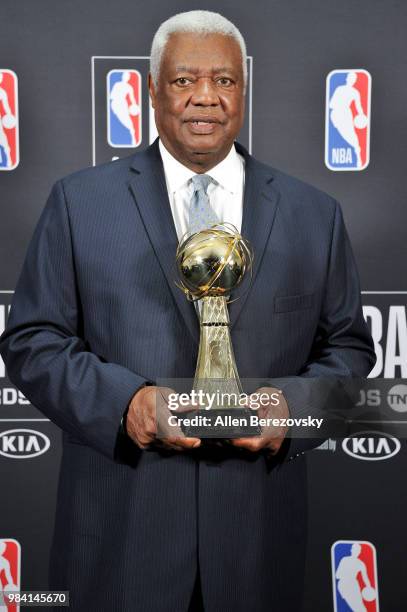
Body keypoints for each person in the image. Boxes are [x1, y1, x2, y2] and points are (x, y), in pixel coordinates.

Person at [0, 10, 376, 612]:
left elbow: (352, 353)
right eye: (184, 81)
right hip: (122, 542)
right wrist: (130, 404)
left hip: (257, 551)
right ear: (152, 90)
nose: (206, 97)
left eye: (224, 81)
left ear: (244, 91)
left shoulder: (315, 215)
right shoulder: (78, 203)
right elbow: (32, 341)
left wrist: (292, 411)